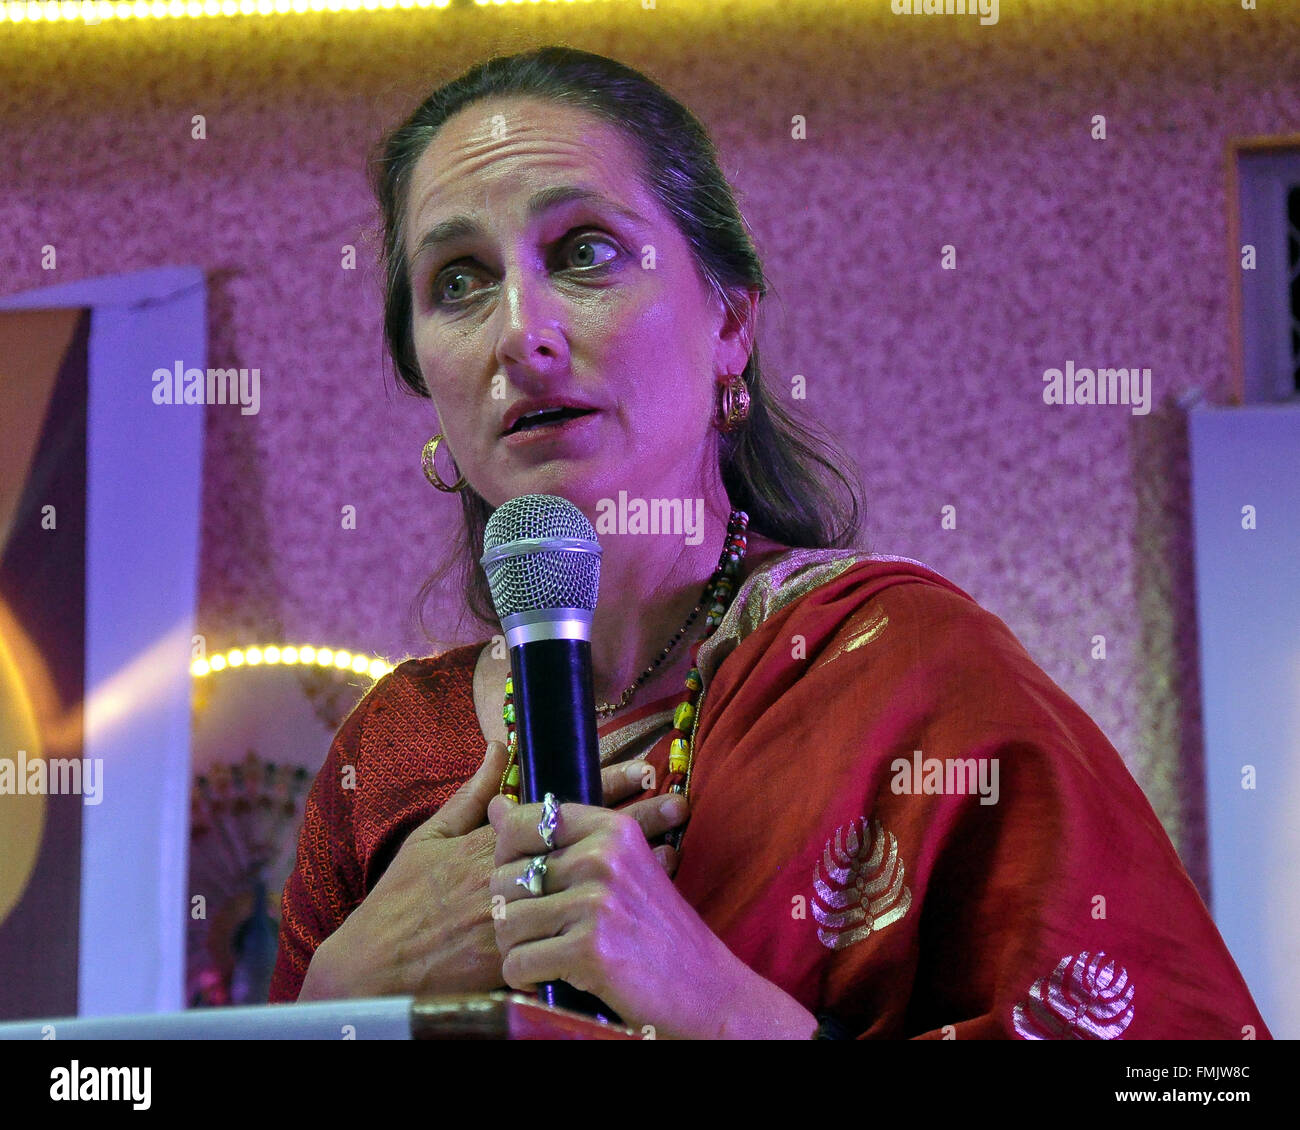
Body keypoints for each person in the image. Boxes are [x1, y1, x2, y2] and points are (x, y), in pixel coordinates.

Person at [269, 46, 1271, 1040]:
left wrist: (717, 1004)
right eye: (457, 280)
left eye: (582, 252)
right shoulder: (391, 748)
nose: (520, 334)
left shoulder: (905, 674)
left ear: (729, 324)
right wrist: (340, 994)